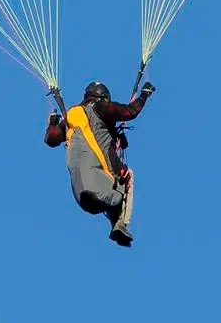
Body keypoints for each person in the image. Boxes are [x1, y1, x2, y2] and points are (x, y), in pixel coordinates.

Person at [45, 79, 154, 247]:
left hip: (80, 193)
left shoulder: (71, 116)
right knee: (127, 176)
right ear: (103, 97)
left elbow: (51, 139)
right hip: (100, 184)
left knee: (110, 186)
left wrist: (53, 122)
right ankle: (121, 224)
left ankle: (115, 219)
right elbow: (130, 112)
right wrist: (144, 95)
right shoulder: (101, 107)